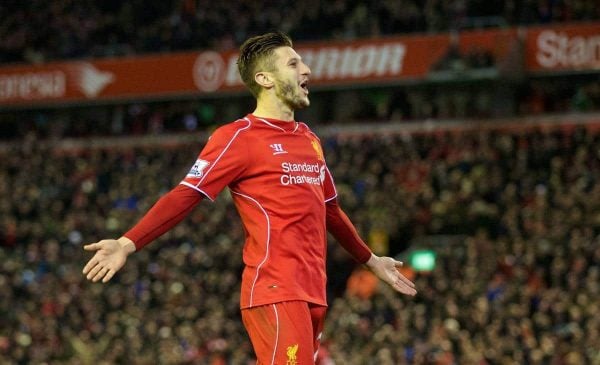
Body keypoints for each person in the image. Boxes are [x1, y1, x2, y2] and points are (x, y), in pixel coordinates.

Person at [82, 31, 416, 364]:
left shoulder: (309, 139)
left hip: (314, 291)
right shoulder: (238, 137)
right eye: (294, 63)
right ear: (264, 78)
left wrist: (371, 260)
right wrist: (127, 243)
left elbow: (331, 210)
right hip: (275, 290)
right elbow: (187, 193)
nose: (307, 70)